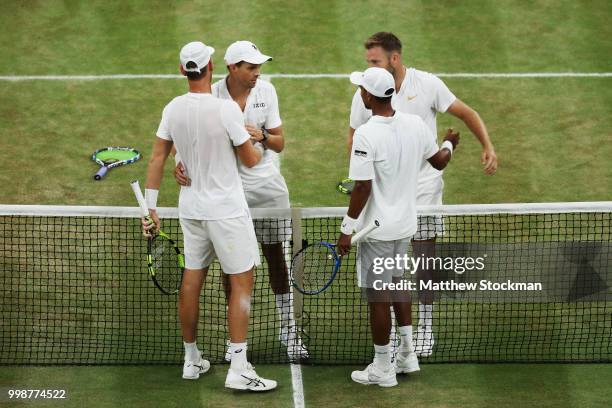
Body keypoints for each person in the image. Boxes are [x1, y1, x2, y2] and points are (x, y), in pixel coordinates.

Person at [348, 32, 497, 357]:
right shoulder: (366, 95)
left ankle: (424, 329)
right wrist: (356, 175)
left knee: (424, 259)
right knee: (391, 268)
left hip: (425, 189)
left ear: (394, 59)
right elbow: (355, 138)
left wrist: (487, 145)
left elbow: (467, 113)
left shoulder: (427, 85)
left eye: (375, 61)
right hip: (386, 195)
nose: (369, 67)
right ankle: (401, 340)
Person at [142, 40, 277, 391]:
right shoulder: (226, 110)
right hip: (227, 210)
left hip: (192, 208)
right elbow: (250, 160)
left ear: (182, 71)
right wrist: (258, 144)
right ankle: (239, 367)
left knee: (192, 279)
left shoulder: (173, 108)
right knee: (242, 283)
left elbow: (158, 158)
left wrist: (151, 208)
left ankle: (191, 359)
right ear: (212, 68)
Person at [174, 40, 307, 361]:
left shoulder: (267, 92)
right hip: (229, 193)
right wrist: (179, 161)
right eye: (251, 67)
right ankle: (235, 344)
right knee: (230, 268)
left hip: (268, 190)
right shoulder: (212, 95)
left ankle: (288, 330)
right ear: (232, 68)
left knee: (276, 257)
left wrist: (260, 136)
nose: (257, 73)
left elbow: (280, 142)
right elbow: (192, 136)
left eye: (259, 66)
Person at [337, 67, 459, 387]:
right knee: (397, 283)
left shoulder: (366, 134)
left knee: (378, 297)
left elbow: (361, 187)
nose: (360, 92)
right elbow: (439, 161)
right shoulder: (415, 125)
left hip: (377, 230)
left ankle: (382, 368)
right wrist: (450, 143)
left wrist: (347, 228)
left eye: (362, 88)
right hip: (406, 225)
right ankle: (407, 354)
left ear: (368, 95)